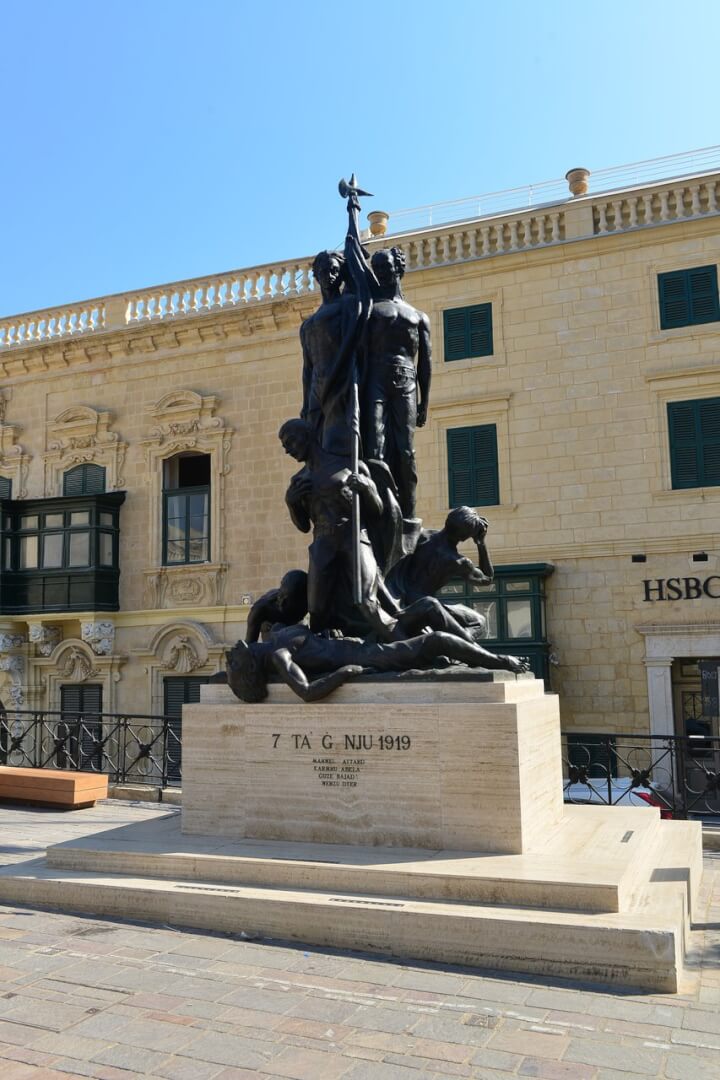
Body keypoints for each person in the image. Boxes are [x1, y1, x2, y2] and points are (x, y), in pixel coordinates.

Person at [279, 418, 399, 637]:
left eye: (290, 442)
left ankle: (403, 642)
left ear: (307, 435)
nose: (288, 450)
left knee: (367, 599)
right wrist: (291, 502)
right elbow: (303, 526)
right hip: (323, 542)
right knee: (316, 608)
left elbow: (377, 511)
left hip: (353, 537)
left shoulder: (350, 466)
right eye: (284, 446)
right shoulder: (299, 480)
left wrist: (367, 489)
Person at [227, 622, 529, 703]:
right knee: (434, 639)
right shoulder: (280, 656)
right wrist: (343, 674)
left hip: (361, 643)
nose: (236, 650)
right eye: (236, 661)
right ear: (253, 664)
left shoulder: (276, 634)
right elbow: (306, 692)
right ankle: (499, 660)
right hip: (367, 656)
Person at [361, 247, 431, 520]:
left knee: (405, 451)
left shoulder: (418, 317)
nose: (381, 272)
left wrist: (425, 401)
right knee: (375, 448)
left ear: (398, 268)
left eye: (386, 266)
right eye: (376, 268)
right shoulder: (369, 311)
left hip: (406, 383)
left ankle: (409, 516)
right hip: (375, 380)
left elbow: (425, 363)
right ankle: (379, 512)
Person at [300, 250, 358, 456]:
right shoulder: (307, 324)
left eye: (334, 270)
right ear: (316, 276)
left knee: (336, 443)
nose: (329, 275)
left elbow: (351, 344)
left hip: (339, 382)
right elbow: (307, 368)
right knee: (316, 445)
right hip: (317, 386)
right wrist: (306, 403)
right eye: (324, 271)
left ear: (341, 274)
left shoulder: (348, 304)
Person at [385, 506, 493, 605]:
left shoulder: (420, 534)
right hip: (421, 606)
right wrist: (481, 543)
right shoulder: (458, 562)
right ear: (465, 537)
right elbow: (487, 578)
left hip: (397, 595)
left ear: (448, 520)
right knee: (478, 620)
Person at [245, 570, 308, 643]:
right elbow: (249, 647)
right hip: (270, 628)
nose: (281, 604)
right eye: (280, 599)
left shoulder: (308, 602)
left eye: (286, 601)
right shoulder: (261, 609)